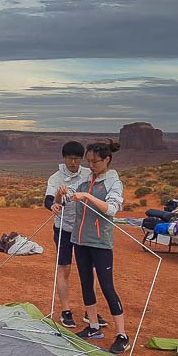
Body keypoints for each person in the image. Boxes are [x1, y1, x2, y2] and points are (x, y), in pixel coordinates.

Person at [62, 140, 129, 355]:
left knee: (107, 287)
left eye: (95, 161)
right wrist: (58, 198)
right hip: (80, 241)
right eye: (88, 161)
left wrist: (88, 196)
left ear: (107, 160)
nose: (91, 165)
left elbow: (111, 209)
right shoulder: (85, 180)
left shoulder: (113, 182)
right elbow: (69, 198)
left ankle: (122, 335)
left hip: (100, 243)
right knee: (85, 284)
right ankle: (93, 326)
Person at [45, 141, 108, 329]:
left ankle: (91, 313)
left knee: (90, 272)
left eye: (76, 158)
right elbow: (48, 200)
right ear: (64, 158)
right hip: (63, 229)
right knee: (64, 269)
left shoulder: (89, 174)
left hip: (84, 229)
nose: (73, 162)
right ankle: (66, 311)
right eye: (69, 158)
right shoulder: (55, 178)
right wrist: (54, 204)